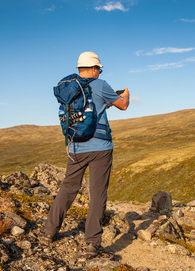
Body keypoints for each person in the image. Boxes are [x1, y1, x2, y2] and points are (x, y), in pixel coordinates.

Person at [40, 51, 129, 258]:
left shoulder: (69, 87)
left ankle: (48, 232)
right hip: (100, 148)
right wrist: (126, 93)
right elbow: (123, 105)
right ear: (94, 68)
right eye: (99, 69)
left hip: (75, 147)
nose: (100, 72)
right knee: (97, 193)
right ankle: (92, 243)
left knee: (68, 189)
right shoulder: (101, 85)